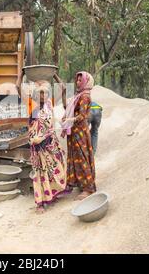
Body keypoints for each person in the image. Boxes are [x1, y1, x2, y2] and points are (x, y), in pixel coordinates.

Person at [28, 81, 67, 213]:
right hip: (40, 147)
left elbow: (63, 88)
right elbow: (32, 130)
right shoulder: (34, 111)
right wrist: (37, 140)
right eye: (40, 93)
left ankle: (52, 194)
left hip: (51, 143)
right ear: (35, 96)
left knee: (56, 168)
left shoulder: (49, 106)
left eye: (44, 93)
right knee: (40, 173)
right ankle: (40, 203)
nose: (42, 96)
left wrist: (55, 76)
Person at [61, 71, 96, 200]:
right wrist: (64, 93)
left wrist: (71, 120)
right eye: (77, 80)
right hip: (74, 131)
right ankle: (76, 182)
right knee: (74, 156)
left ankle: (88, 188)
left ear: (86, 82)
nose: (77, 82)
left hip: (80, 132)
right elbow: (67, 108)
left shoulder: (85, 96)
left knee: (81, 157)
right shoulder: (78, 95)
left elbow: (82, 116)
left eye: (80, 80)